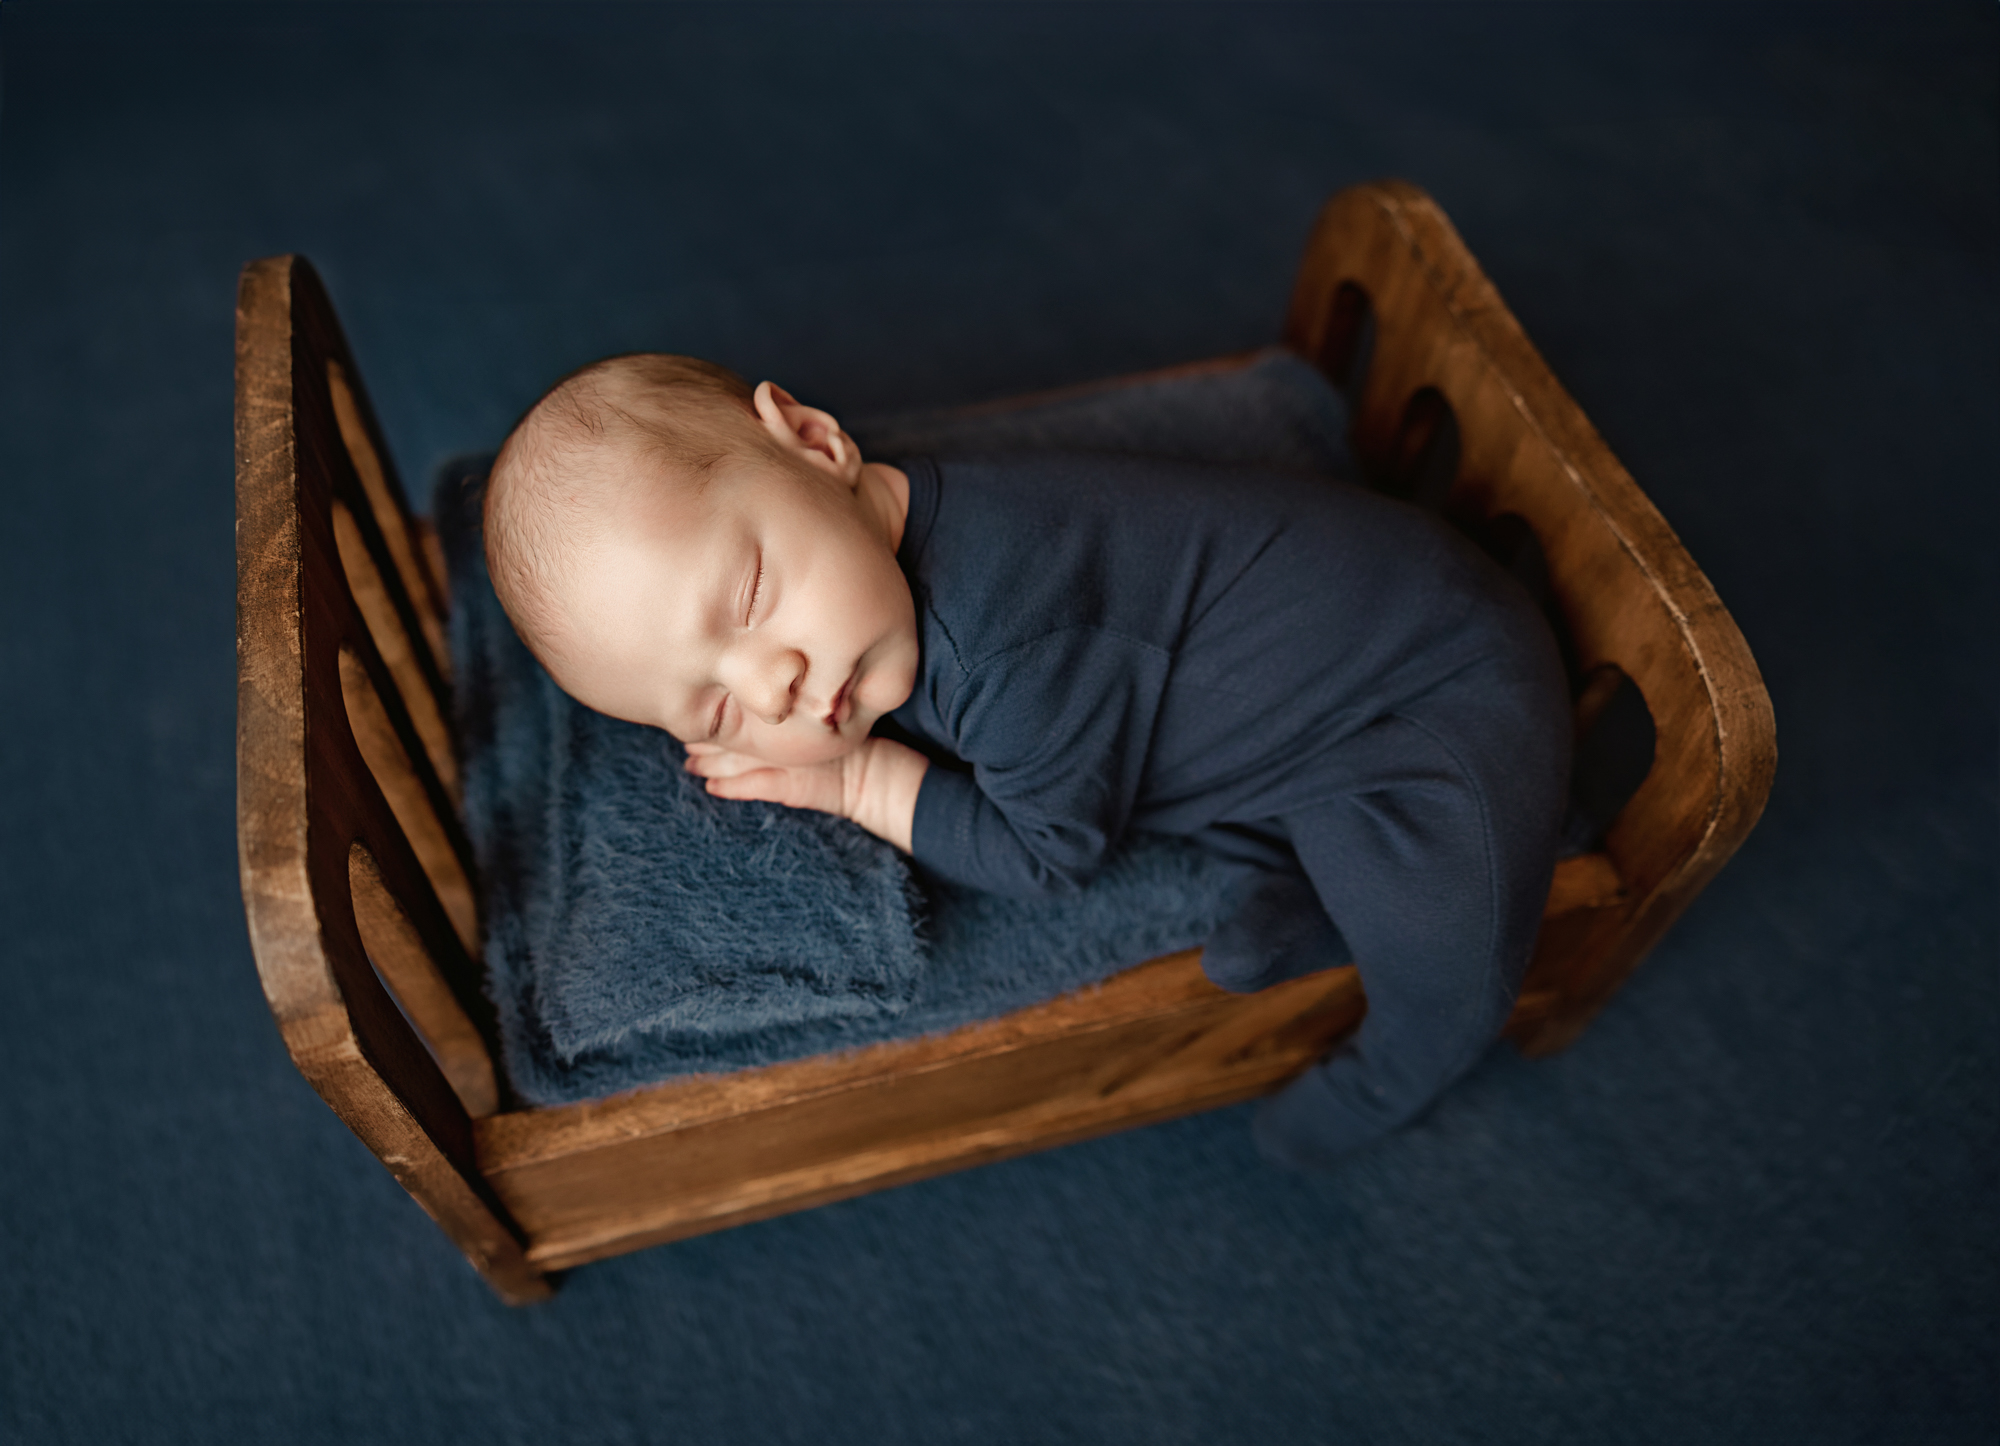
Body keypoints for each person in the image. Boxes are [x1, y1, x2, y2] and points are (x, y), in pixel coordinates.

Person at [482, 352, 1572, 1166]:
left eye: (751, 598)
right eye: (712, 706)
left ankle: (1400, 1067)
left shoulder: (1016, 655)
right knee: (1228, 804)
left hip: (1431, 700)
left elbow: (1053, 854)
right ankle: (1310, 880)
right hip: (1282, 710)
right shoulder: (885, 541)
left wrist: (856, 781)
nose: (768, 686)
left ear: (815, 444)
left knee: (1444, 937)